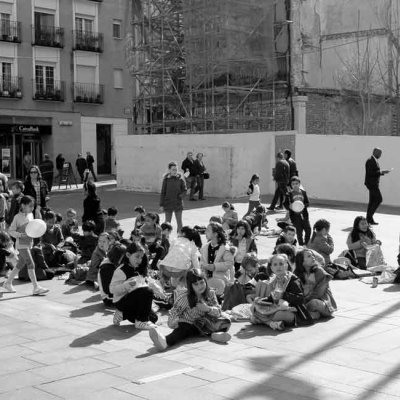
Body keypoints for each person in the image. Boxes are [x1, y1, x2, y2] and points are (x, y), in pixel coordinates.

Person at [148, 269, 231, 352]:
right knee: (182, 331)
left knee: (226, 321)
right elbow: (174, 312)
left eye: (202, 282)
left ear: (205, 281)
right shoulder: (184, 297)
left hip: (207, 324)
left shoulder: (211, 293)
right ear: (190, 285)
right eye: (196, 284)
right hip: (190, 324)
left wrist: (207, 309)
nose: (200, 286)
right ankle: (165, 341)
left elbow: (218, 312)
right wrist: (173, 323)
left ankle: (215, 335)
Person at [2, 196, 49, 295]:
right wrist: (20, 235)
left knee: (21, 263)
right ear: (23, 205)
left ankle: (8, 283)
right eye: (30, 206)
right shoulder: (17, 217)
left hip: (29, 243)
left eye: (33, 206)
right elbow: (10, 231)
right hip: (21, 244)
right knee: (31, 263)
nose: (32, 208)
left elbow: (32, 228)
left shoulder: (31, 215)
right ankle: (36, 287)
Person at [250, 254, 304, 330]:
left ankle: (264, 321)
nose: (278, 267)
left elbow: (300, 299)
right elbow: (272, 298)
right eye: (275, 265)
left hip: (292, 311)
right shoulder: (273, 280)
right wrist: (261, 300)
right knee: (253, 308)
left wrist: (283, 295)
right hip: (277, 307)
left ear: (286, 266)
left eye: (281, 264)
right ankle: (272, 323)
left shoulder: (293, 280)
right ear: (271, 268)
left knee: (277, 315)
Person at [110, 241, 157, 329]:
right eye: (137, 256)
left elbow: (142, 285)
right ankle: (141, 321)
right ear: (128, 255)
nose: (139, 260)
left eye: (141, 257)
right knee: (147, 291)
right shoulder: (121, 270)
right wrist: (126, 285)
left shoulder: (139, 268)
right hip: (122, 301)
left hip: (134, 301)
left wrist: (154, 286)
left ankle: (122, 314)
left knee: (153, 318)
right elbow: (112, 289)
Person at [295, 249, 337, 320]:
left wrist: (304, 302)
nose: (313, 257)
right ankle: (311, 314)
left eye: (312, 255)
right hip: (305, 302)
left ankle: (306, 314)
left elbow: (318, 293)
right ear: (302, 261)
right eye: (309, 256)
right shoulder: (297, 273)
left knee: (314, 303)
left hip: (322, 303)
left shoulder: (319, 271)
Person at [200, 222, 235, 295]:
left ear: (215, 234)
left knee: (218, 287)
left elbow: (229, 263)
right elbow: (202, 262)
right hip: (206, 279)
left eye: (208, 230)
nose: (205, 232)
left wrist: (215, 266)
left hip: (220, 279)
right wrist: (203, 268)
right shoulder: (205, 247)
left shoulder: (225, 248)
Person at [365, 148, 391, 225]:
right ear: (374, 152)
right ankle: (368, 218)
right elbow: (370, 173)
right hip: (371, 184)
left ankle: (369, 220)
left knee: (372, 201)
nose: (380, 155)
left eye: (381, 153)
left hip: (374, 184)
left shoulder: (374, 160)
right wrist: (381, 172)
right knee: (379, 199)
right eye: (379, 153)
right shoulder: (370, 161)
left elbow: (374, 172)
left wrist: (381, 172)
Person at [159, 161, 187, 232]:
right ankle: (166, 236)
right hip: (168, 203)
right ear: (169, 170)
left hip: (178, 203)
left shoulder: (180, 179)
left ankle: (180, 236)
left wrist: (181, 196)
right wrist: (161, 205)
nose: (175, 171)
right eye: (173, 169)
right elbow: (163, 193)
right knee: (167, 223)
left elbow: (185, 190)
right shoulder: (166, 180)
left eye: (176, 169)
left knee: (179, 222)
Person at [284, 176, 311, 246]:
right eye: (293, 184)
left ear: (299, 184)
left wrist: (303, 205)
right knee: (299, 232)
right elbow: (285, 204)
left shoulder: (303, 192)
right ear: (291, 185)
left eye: (296, 183)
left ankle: (306, 244)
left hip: (304, 215)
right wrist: (289, 206)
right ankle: (301, 245)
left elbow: (307, 203)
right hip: (295, 216)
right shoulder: (289, 194)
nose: (295, 185)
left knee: (308, 229)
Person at [98, 243, 127, 307]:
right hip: (109, 298)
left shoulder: (111, 263)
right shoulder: (106, 267)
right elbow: (107, 290)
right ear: (117, 256)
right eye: (123, 256)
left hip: (114, 293)